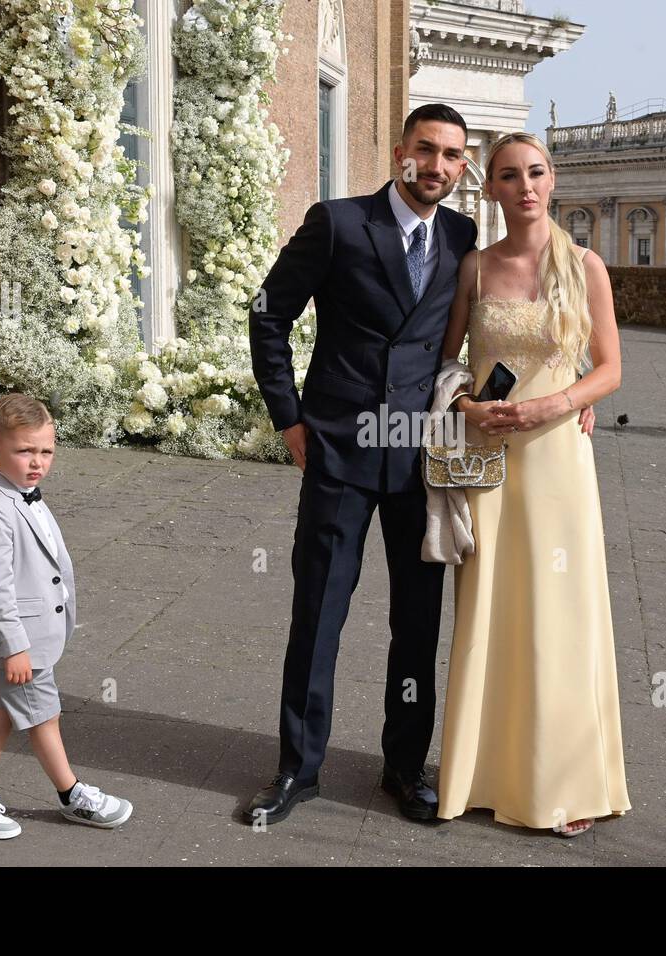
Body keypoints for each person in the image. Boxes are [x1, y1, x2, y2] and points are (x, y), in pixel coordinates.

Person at [243, 104, 504, 826]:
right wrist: (289, 417)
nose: (439, 166)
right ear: (400, 153)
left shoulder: (461, 234)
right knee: (318, 616)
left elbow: (478, 330)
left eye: (453, 155)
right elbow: (268, 311)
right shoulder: (337, 222)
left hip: (421, 463)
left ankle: (403, 768)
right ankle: (298, 769)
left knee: (417, 626)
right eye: (427, 150)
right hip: (339, 451)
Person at [435, 131, 631, 838]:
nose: (525, 186)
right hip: (490, 459)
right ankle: (484, 774)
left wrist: (558, 405)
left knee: (561, 612)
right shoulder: (474, 268)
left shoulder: (585, 266)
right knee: (493, 608)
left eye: (537, 173)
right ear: (489, 188)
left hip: (557, 460)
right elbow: (446, 361)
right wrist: (465, 408)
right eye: (509, 175)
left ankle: (565, 781)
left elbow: (609, 368)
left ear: (554, 182)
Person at [0, 394, 132, 839]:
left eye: (45, 451)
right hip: (20, 643)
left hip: (35, 638)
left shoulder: (24, 495)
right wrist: (14, 647)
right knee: (43, 715)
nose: (37, 462)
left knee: (6, 714)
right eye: (24, 451)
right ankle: (72, 796)